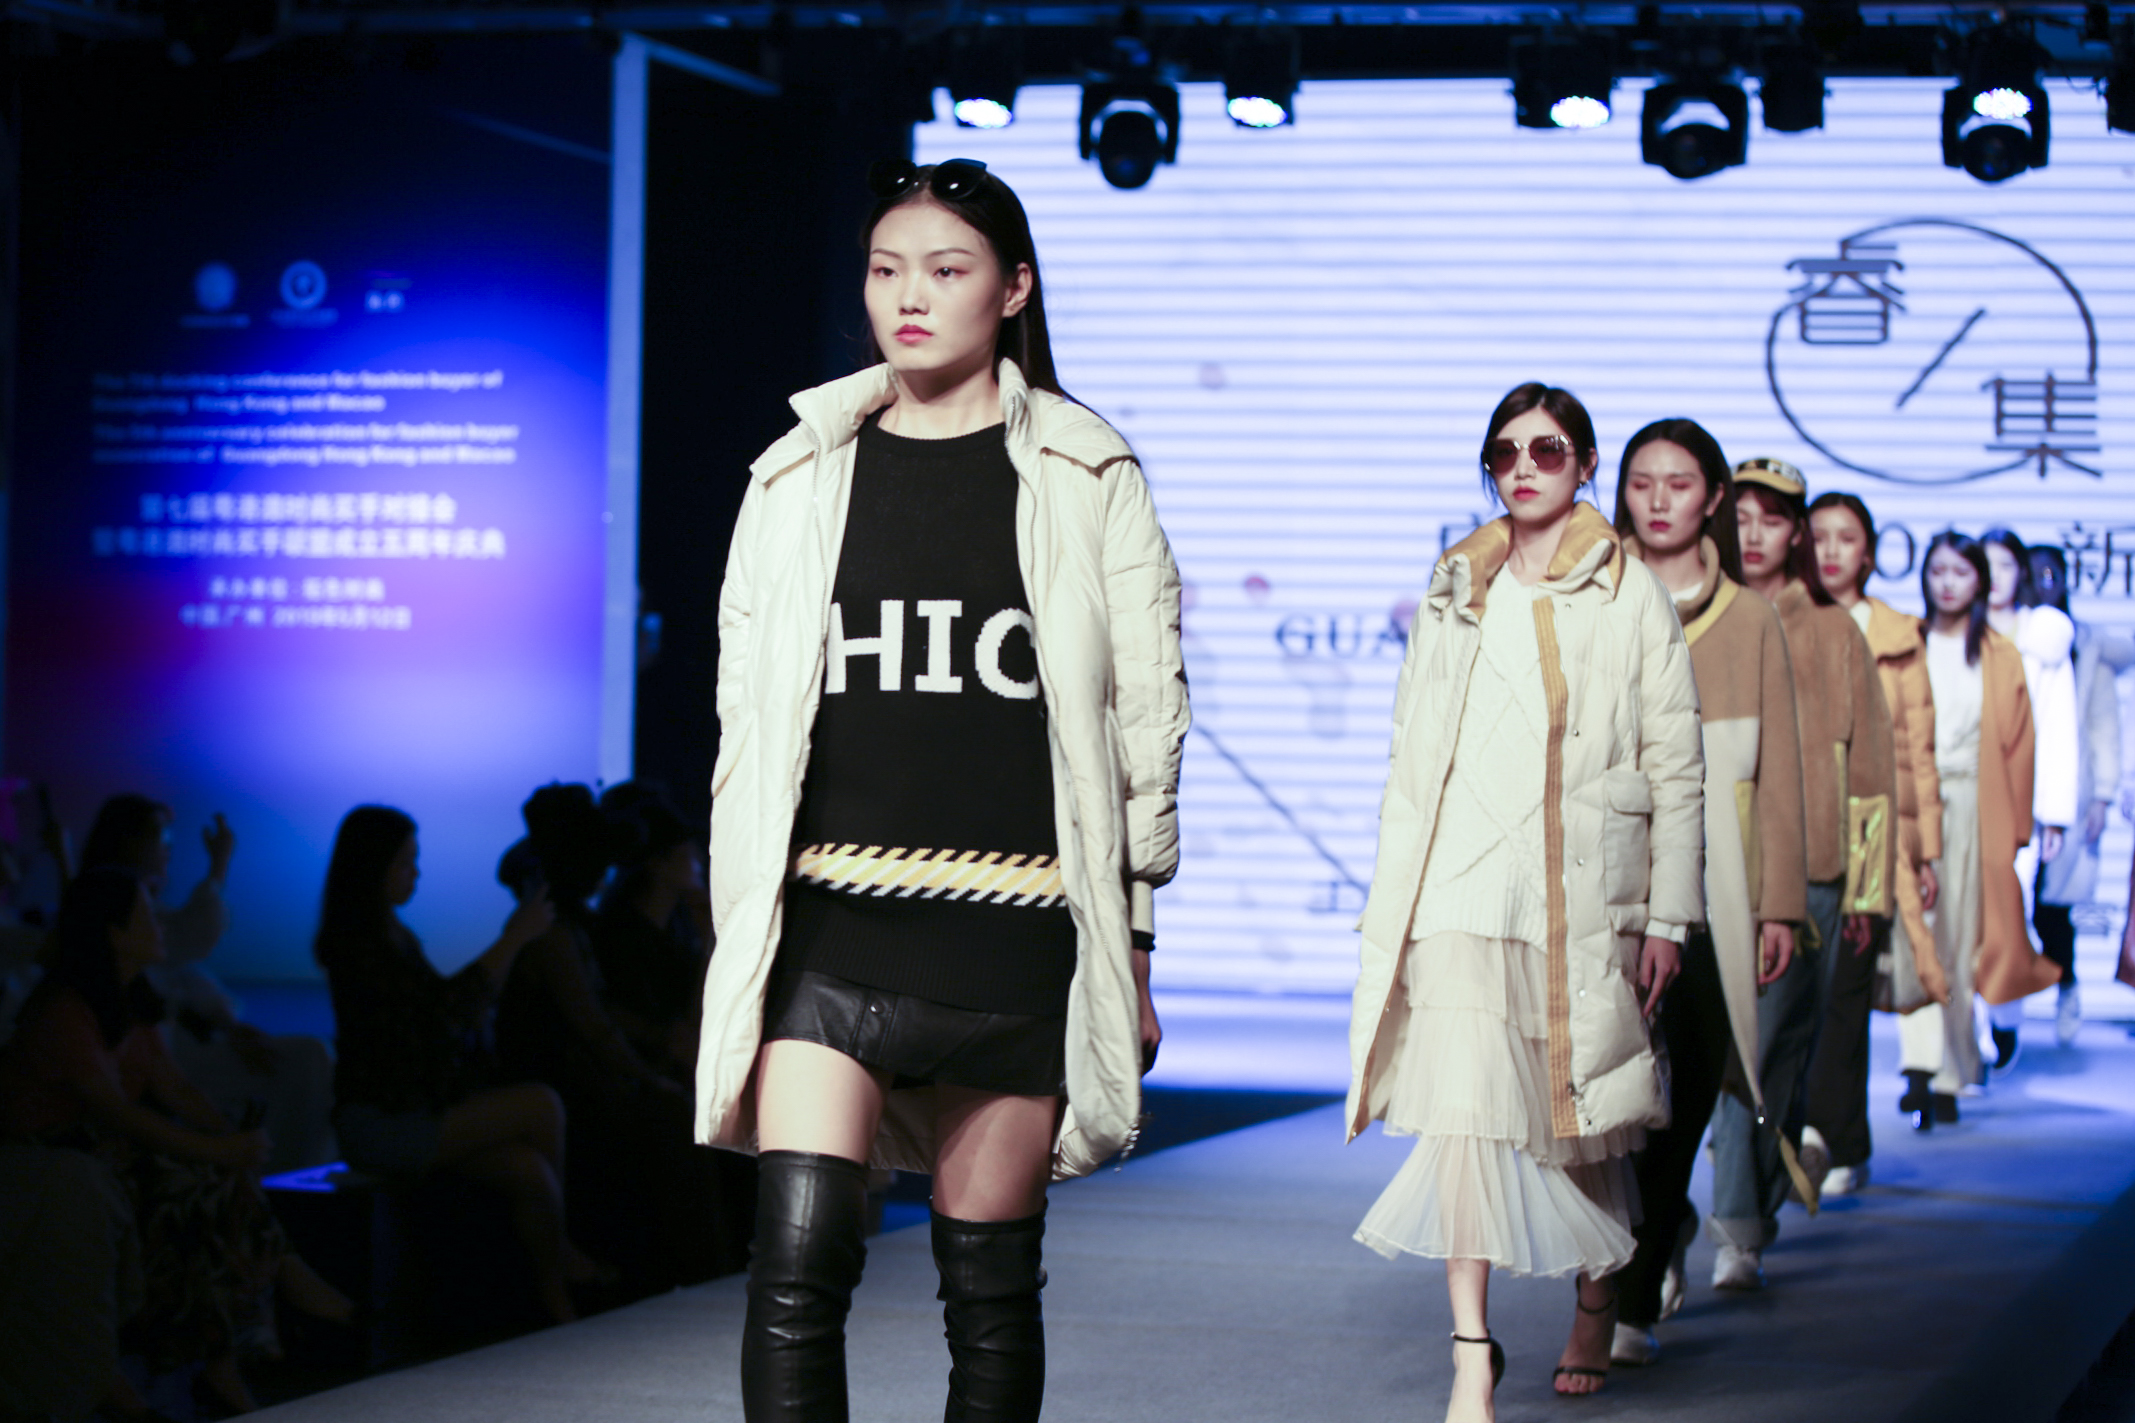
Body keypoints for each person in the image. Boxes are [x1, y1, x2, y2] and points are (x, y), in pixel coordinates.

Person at [695, 157, 1187, 1423]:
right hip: (830, 925)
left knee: (989, 1292)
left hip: (1013, 938)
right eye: (885, 269)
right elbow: (747, 718)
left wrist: (1133, 942)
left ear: (1012, 290)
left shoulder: (1088, 475)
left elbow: (1143, 723)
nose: (908, 296)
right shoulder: (794, 476)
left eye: (945, 269)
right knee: (794, 1270)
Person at [1348, 383, 1703, 1416]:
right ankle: (1471, 1351)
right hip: (1458, 885)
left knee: (1574, 1122)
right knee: (1462, 1117)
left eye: (1547, 450)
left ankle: (1595, 1299)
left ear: (1586, 463)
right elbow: (1412, 747)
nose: (1522, 467)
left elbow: (1673, 762)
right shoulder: (1455, 585)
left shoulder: (1627, 590)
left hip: (1573, 891)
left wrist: (1667, 917)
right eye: (1503, 452)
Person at [0, 866, 354, 1417]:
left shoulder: (127, 1003)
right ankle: (259, 1319)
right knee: (192, 1189)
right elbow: (118, 1115)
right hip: (57, 1155)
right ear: (115, 931)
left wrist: (230, 1136)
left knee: (212, 1179)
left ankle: (231, 1356)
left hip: (102, 1150)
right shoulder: (66, 1012)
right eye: (147, 914)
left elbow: (173, 1086)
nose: (161, 924)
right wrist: (220, 1149)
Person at [1607, 419, 1807, 1362]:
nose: (1657, 500)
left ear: (1713, 497)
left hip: (1714, 885)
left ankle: (1635, 1286)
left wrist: (1779, 903)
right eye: (1641, 481)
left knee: (1686, 1086)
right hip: (1608, 873)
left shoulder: (1750, 618)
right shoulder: (1594, 593)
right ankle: (1620, 1279)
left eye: (1678, 482)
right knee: (1609, 1098)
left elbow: (1779, 773)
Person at [313, 805, 607, 1326]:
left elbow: (445, 1015)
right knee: (542, 1105)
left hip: (414, 1114)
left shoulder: (393, 937)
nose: (416, 873)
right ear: (373, 868)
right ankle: (561, 1259)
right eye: (405, 862)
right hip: (383, 1124)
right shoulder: (359, 947)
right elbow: (443, 1017)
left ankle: (553, 1299)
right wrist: (514, 938)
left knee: (531, 1172)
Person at [1717, 459, 1893, 1278]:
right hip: (1711, 866)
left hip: (1814, 870)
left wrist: (1866, 889)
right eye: (1741, 516)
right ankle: (1723, 1224)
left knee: (1777, 1053)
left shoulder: (1831, 629)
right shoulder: (1702, 613)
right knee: (1722, 1058)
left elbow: (1872, 766)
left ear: (1795, 532)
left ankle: (1742, 1219)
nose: (1752, 533)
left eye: (1772, 518)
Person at [79, 794, 337, 1173]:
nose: (160, 927)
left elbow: (180, 979)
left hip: (188, 1048)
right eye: (162, 836)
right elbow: (188, 940)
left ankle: (285, 1178)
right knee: (309, 1060)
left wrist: (227, 1027)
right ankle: (290, 1180)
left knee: (309, 1057)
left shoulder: (141, 998)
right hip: (178, 1059)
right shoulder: (80, 1011)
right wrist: (223, 1149)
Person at [1806, 492, 1949, 1161]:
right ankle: (1801, 1136)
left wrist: (1924, 852)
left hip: (1871, 830)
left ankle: (1835, 1141)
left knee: (1846, 988)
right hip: (1796, 825)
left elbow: (1916, 751)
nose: (1831, 550)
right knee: (1791, 993)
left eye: (1846, 537)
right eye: (1819, 535)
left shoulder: (1896, 635)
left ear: (1869, 551)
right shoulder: (1781, 617)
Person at [1902, 535, 2061, 1124]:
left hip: (1972, 803)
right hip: (1914, 803)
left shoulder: (1998, 654)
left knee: (1960, 939)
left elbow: (2020, 747)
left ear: (1980, 583)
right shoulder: (1907, 644)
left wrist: (2017, 829)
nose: (1947, 583)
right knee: (1916, 934)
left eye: (1960, 572)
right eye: (1937, 570)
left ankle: (1952, 1066)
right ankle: (1922, 1067)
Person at [1979, 530, 2077, 1069]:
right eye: (1985, 564)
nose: (1995, 575)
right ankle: (1968, 1036)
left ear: (2021, 573)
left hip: (2022, 803)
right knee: (1963, 915)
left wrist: (2055, 815)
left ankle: (2003, 1017)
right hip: (1963, 795)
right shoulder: (1957, 632)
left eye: (2005, 565)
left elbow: (2060, 728)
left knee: (2009, 913)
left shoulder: (2044, 640)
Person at [2024, 546, 2129, 1047]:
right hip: (2013, 789)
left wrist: (2102, 797)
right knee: (2002, 904)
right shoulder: (2008, 635)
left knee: (2052, 908)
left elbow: (2103, 726)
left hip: (2068, 791)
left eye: (2053, 573)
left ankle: (2066, 985)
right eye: (2034, 573)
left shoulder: (2087, 647)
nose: (2044, 581)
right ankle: (1994, 1019)